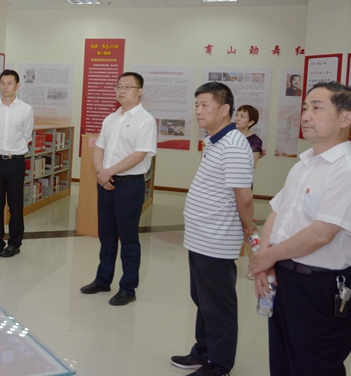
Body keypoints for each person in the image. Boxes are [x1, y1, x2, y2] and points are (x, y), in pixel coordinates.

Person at [250, 82, 351, 376]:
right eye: (305, 108)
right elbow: (277, 212)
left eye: (317, 108)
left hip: (321, 287)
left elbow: (321, 234)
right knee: (282, 363)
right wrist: (264, 261)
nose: (306, 115)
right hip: (285, 278)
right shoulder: (304, 165)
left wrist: (267, 258)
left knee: (314, 367)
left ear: (346, 118)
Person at [171, 82, 255, 376]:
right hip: (201, 237)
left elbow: (244, 197)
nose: (198, 111)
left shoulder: (233, 145)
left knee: (218, 305)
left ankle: (219, 365)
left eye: (205, 105)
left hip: (217, 239)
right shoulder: (215, 141)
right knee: (203, 299)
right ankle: (203, 351)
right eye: (197, 105)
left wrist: (249, 230)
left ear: (224, 109)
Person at [80, 72, 156, 306]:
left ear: (140, 91)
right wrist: (101, 173)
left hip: (129, 185)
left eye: (128, 87)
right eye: (119, 86)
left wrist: (108, 172)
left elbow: (139, 154)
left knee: (129, 239)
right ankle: (103, 280)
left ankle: (128, 288)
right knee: (107, 235)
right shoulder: (111, 118)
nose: (122, 91)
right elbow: (99, 147)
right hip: (106, 183)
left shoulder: (145, 120)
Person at [0, 69, 34, 260]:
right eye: (2, 83)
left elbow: (27, 136)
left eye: (10, 83)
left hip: (16, 162)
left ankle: (14, 243)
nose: (5, 87)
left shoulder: (25, 109)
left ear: (17, 85)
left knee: (15, 204)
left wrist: (12, 149)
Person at [234, 104, 263, 280]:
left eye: (242, 116)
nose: (237, 118)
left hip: (242, 186)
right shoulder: (228, 134)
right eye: (237, 114)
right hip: (224, 187)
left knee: (247, 227)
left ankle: (255, 265)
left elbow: (250, 166)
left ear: (251, 122)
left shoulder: (254, 141)